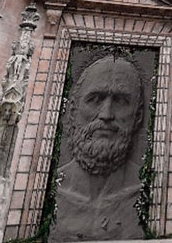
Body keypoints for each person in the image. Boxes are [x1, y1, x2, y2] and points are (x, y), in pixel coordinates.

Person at [50, 56, 147, 241]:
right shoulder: (52, 189)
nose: (106, 114)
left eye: (120, 101)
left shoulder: (147, 191)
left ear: (138, 115)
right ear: (72, 111)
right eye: (94, 99)